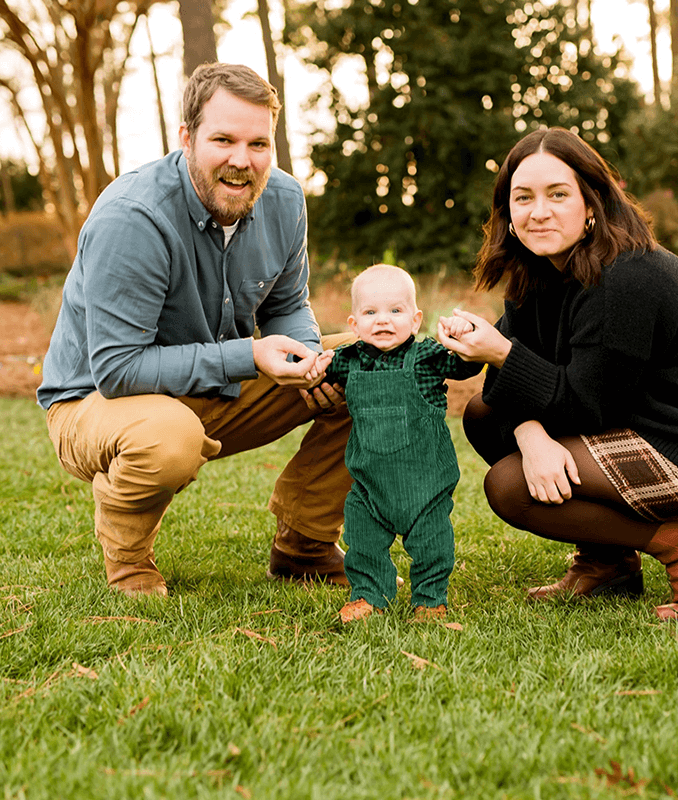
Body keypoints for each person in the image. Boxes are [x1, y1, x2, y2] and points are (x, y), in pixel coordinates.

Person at [37, 63, 354, 597]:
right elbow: (117, 370)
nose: (242, 160)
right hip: (94, 402)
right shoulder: (133, 217)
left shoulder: (284, 200)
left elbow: (288, 304)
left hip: (209, 387)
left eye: (258, 143)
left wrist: (307, 360)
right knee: (168, 437)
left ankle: (305, 543)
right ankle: (130, 561)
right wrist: (249, 356)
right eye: (223, 139)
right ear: (186, 138)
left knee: (370, 365)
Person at [441, 127, 678, 622]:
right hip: (629, 418)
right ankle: (608, 560)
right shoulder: (538, 273)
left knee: (511, 487)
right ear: (507, 213)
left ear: (590, 202)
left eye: (558, 194)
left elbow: (587, 406)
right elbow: (511, 382)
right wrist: (527, 427)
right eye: (522, 197)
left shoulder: (629, 275)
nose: (539, 211)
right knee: (485, 415)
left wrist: (503, 354)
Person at [310, 265, 482, 623]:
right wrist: (312, 370)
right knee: (363, 542)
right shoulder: (347, 360)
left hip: (426, 484)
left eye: (395, 311)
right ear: (354, 324)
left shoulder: (427, 358)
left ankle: (430, 598)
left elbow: (467, 367)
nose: (383, 320)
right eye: (370, 313)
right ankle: (370, 595)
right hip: (369, 486)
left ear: (415, 320)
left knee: (432, 545)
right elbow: (317, 374)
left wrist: (464, 339)